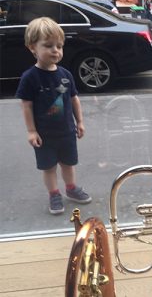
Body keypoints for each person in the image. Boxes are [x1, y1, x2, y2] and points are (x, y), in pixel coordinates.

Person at [16, 17, 92, 215]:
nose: (55, 50)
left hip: (66, 131)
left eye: (59, 46)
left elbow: (74, 99)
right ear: (32, 47)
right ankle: (54, 193)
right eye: (48, 46)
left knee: (68, 164)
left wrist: (80, 121)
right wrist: (31, 131)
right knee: (49, 168)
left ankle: (71, 188)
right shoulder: (30, 77)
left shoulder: (65, 74)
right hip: (44, 136)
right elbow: (26, 105)